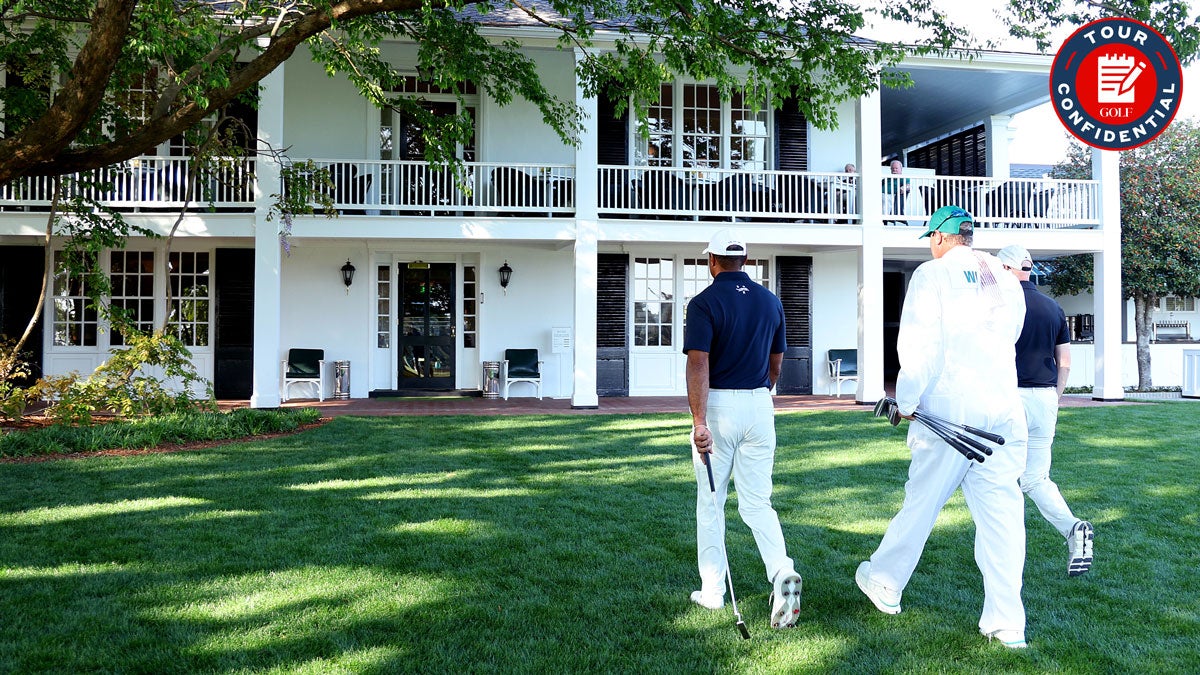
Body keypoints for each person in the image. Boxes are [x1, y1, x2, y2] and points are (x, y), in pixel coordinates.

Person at [856, 206, 1031, 649]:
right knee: (1003, 519)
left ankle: (885, 582)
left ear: (939, 237)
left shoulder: (932, 276)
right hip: (1004, 408)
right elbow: (1009, 336)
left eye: (930, 239)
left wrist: (909, 401)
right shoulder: (1006, 276)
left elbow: (921, 346)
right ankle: (1007, 623)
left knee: (923, 501)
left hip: (953, 407)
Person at [684, 228, 803, 630]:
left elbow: (698, 363)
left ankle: (714, 592)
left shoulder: (703, 303)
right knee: (757, 502)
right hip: (759, 406)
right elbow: (776, 363)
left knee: (711, 502)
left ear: (712, 261)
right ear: (746, 261)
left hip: (719, 405)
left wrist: (700, 421)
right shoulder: (771, 302)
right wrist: (760, 393)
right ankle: (781, 570)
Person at [997, 244, 1094, 577]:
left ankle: (1004, 554)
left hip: (1011, 398)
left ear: (1007, 269)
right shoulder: (1054, 308)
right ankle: (1072, 529)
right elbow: (1064, 361)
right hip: (1045, 399)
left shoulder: (1000, 305)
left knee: (998, 476)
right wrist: (1055, 396)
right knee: (1036, 478)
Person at [883, 159, 911, 223]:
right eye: (892, 168)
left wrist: (905, 187)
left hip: (892, 196)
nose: (894, 170)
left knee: (883, 199)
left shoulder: (903, 178)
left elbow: (909, 186)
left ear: (901, 169)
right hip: (881, 195)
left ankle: (884, 218)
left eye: (896, 168)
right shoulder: (886, 179)